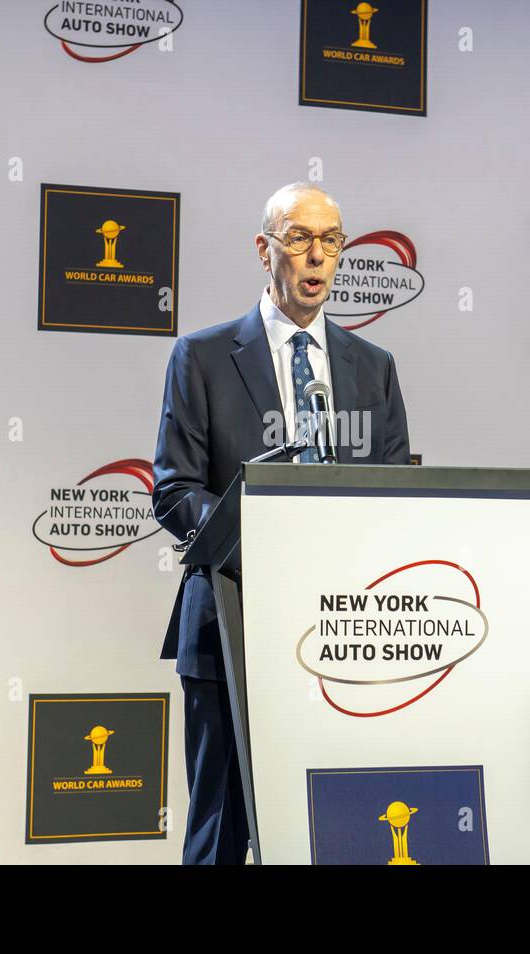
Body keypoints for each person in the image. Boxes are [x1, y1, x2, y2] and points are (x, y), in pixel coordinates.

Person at [152, 181, 411, 864]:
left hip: (339, 632)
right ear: (264, 250)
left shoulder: (374, 371)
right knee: (221, 827)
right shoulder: (203, 357)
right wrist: (261, 534)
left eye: (331, 240)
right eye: (298, 238)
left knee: (333, 825)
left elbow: (394, 499)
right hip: (229, 623)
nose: (316, 256)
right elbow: (174, 489)